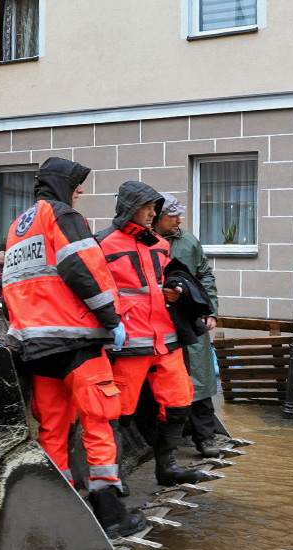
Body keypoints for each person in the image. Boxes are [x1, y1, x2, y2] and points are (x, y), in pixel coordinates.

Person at [4, 157, 145, 539]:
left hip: (38, 346)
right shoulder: (63, 215)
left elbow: (11, 286)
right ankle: (111, 515)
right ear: (63, 185)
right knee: (98, 420)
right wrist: (112, 319)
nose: (80, 191)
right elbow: (82, 268)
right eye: (76, 184)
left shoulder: (18, 226)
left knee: (52, 429)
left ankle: (59, 512)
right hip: (77, 340)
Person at [97, 181, 212, 487]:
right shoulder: (101, 243)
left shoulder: (159, 244)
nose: (153, 214)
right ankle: (112, 479)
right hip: (129, 342)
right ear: (129, 208)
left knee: (179, 402)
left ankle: (167, 468)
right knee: (118, 413)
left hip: (166, 339)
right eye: (147, 208)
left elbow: (168, 274)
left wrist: (175, 287)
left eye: (154, 208)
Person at [152, 194, 223, 458]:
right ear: (159, 217)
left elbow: (204, 274)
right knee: (165, 382)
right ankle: (164, 438)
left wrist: (211, 311)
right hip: (157, 321)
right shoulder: (145, 242)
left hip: (191, 318)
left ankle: (205, 438)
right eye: (174, 215)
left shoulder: (188, 240)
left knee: (200, 379)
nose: (180, 220)